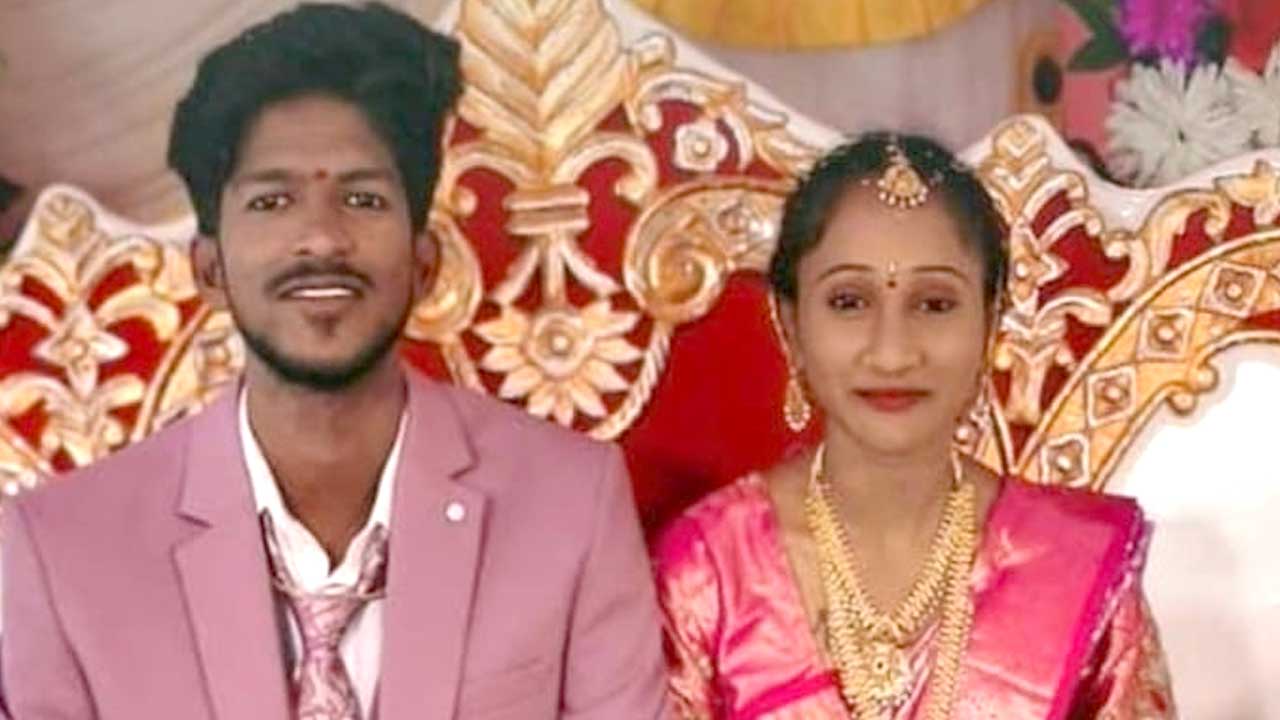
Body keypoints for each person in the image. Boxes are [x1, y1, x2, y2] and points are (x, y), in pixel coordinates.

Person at [0, 4, 669, 718]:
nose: (321, 238)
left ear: (425, 263)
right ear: (209, 269)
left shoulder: (571, 504)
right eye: (272, 201)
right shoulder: (63, 549)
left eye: (361, 197)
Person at [652, 134, 1177, 718]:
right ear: (790, 324)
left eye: (934, 304)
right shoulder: (711, 572)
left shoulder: (1075, 569)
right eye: (849, 301)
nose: (893, 353)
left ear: (991, 320)